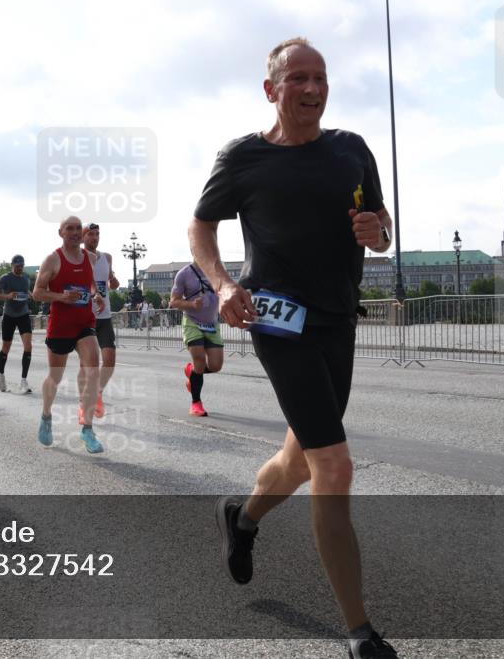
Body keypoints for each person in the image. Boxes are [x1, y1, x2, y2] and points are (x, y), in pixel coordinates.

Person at [189, 38, 397, 659]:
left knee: (302, 459)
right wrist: (223, 283)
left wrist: (378, 232)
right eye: (299, 78)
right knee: (334, 464)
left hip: (339, 318)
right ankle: (360, 632)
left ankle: (243, 518)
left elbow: (380, 226)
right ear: (272, 88)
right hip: (277, 319)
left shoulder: (351, 150)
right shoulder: (245, 157)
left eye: (321, 78)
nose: (312, 89)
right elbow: (201, 224)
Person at [32, 216, 106, 454]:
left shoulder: (90, 258)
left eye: (78, 229)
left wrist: (97, 295)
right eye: (70, 229)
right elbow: (37, 293)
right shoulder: (52, 260)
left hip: (84, 322)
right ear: (61, 232)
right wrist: (61, 297)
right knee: (55, 377)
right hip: (61, 326)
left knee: (93, 366)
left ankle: (87, 429)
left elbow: (91, 284)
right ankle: (46, 415)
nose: (75, 232)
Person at [170, 263, 223, 417]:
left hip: (212, 323)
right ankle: (196, 403)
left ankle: (192, 374)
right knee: (199, 360)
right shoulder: (184, 274)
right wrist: (192, 304)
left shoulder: (218, 270)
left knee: (215, 365)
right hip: (192, 322)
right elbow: (174, 301)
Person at [80, 223, 120, 419]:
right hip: (85, 316)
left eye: (97, 234)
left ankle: (97, 392)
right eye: (91, 234)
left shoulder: (107, 257)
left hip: (104, 315)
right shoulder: (77, 257)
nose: (95, 237)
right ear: (83, 237)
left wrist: (114, 282)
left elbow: (110, 279)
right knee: (87, 363)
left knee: (110, 360)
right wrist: (93, 293)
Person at [0, 254, 34, 393]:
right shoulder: (5, 278)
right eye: (17, 266)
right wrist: (7, 296)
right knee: (6, 348)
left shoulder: (26, 278)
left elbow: (26, 291)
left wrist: (31, 294)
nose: (19, 268)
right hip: (9, 315)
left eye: (21, 266)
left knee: (28, 346)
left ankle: (23, 381)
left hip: (23, 315)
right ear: (12, 266)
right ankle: (1, 375)